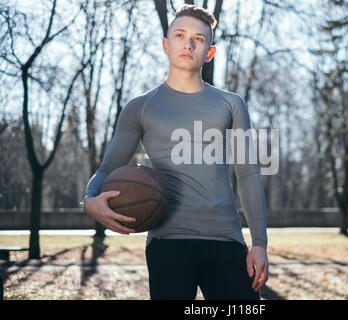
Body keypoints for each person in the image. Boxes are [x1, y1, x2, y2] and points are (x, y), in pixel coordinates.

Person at [80, 4, 269, 300]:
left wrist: (259, 242)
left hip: (226, 241)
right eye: (180, 35)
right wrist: (89, 200)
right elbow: (106, 170)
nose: (188, 43)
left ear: (209, 53)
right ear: (166, 46)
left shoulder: (231, 104)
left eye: (199, 38)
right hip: (167, 244)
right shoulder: (140, 107)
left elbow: (248, 174)